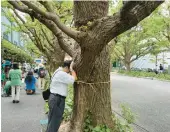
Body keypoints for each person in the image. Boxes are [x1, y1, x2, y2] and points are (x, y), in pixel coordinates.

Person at [46, 60, 77, 132]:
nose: (69, 72)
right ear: (66, 67)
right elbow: (73, 79)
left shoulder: (58, 71)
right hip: (57, 99)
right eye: (69, 70)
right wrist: (72, 69)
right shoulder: (61, 74)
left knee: (52, 120)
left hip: (55, 98)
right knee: (55, 121)